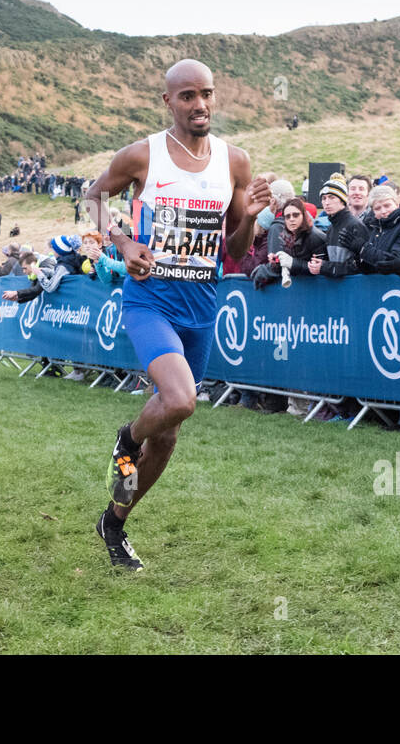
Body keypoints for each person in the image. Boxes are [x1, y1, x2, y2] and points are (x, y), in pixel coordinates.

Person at [82, 59, 270, 571]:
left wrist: (249, 219)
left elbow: (234, 249)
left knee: (166, 437)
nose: (200, 104)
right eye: (187, 96)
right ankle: (126, 437)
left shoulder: (235, 162)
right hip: (151, 300)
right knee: (181, 399)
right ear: (168, 101)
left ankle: (115, 521)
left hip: (202, 305)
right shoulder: (143, 155)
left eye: (206, 94)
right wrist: (121, 241)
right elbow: (92, 196)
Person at [309, 174, 367, 278]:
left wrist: (325, 267)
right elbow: (333, 262)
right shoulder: (331, 228)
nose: (327, 203)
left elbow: (361, 266)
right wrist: (319, 262)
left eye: (332, 197)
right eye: (324, 198)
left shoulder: (355, 225)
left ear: (343, 200)